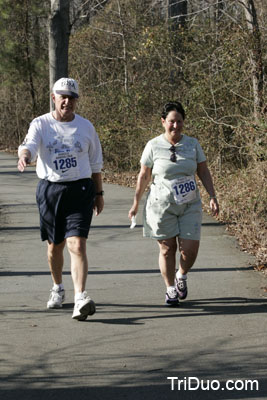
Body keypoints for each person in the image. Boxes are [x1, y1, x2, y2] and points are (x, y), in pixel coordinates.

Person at [17, 77, 104, 321]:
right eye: (62, 96)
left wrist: (99, 194)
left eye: (72, 97)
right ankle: (58, 287)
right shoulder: (41, 124)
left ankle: (80, 297)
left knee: (77, 243)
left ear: (77, 100)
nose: (67, 101)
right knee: (55, 246)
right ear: (53, 98)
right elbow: (29, 145)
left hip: (81, 190)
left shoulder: (86, 127)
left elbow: (96, 163)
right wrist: (25, 155)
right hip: (50, 191)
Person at [128, 101, 219, 306]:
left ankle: (181, 275)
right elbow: (144, 175)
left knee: (190, 249)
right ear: (163, 122)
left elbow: (203, 171)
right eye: (171, 122)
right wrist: (135, 203)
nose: (175, 126)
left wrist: (213, 196)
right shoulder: (153, 145)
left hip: (189, 204)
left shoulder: (192, 144)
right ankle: (170, 289)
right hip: (161, 205)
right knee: (167, 248)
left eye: (179, 122)